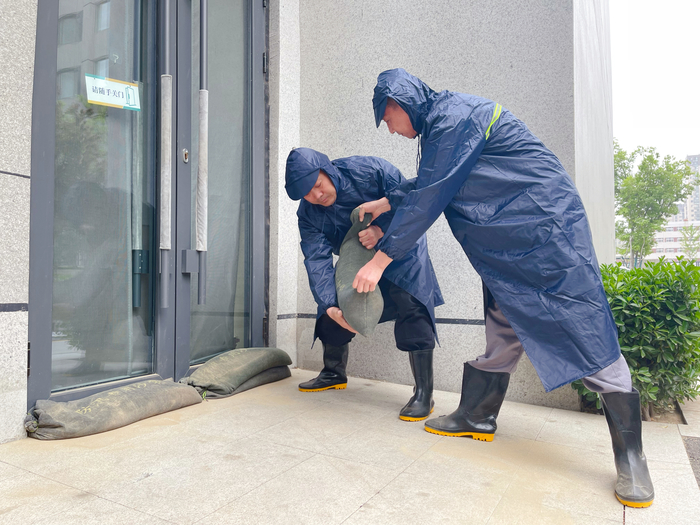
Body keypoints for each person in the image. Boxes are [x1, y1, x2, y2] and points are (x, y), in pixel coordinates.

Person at [352, 68, 654, 508]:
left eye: (388, 121)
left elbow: (433, 194)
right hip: (509, 243)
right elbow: (437, 178)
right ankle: (477, 414)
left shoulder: (453, 117)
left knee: (585, 332)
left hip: (545, 234)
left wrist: (380, 261)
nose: (393, 132)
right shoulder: (445, 120)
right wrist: (385, 200)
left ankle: (632, 457)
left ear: (398, 105)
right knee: (503, 322)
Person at [285, 147, 444, 421]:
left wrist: (381, 231)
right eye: (307, 194)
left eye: (318, 185)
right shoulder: (309, 215)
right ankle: (333, 372)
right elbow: (316, 261)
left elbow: (412, 207)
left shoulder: (370, 171)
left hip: (402, 249)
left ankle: (424, 393)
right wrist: (332, 306)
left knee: (411, 300)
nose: (316, 196)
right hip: (356, 256)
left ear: (326, 169)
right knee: (332, 302)